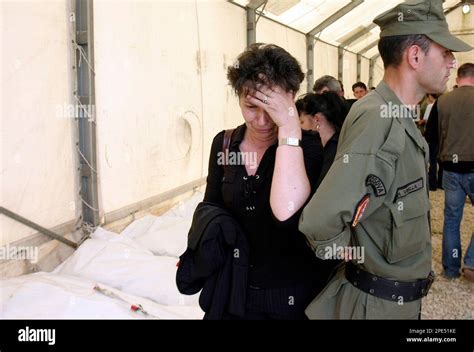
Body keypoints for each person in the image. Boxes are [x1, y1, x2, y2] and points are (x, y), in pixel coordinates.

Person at [271, 0, 472, 319]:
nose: (452, 61)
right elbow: (320, 222)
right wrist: (359, 257)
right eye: (445, 52)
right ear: (415, 56)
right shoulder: (379, 119)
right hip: (375, 306)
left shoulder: (395, 116)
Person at [202, 43, 336, 319]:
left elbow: (286, 212)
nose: (262, 120)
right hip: (236, 288)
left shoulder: (310, 148)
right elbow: (211, 209)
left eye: (272, 108)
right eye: (251, 106)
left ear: (291, 98)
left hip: (293, 293)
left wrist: (288, 127)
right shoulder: (225, 144)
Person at [433, 63, 474, 281]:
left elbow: (432, 136)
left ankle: (450, 269)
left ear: (458, 78)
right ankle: (471, 263)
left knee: (451, 220)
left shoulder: (443, 101)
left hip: (449, 168)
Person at [295, 92, 348, 188]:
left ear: (317, 119)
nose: (299, 128)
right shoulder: (341, 143)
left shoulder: (332, 152)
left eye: (302, 122)